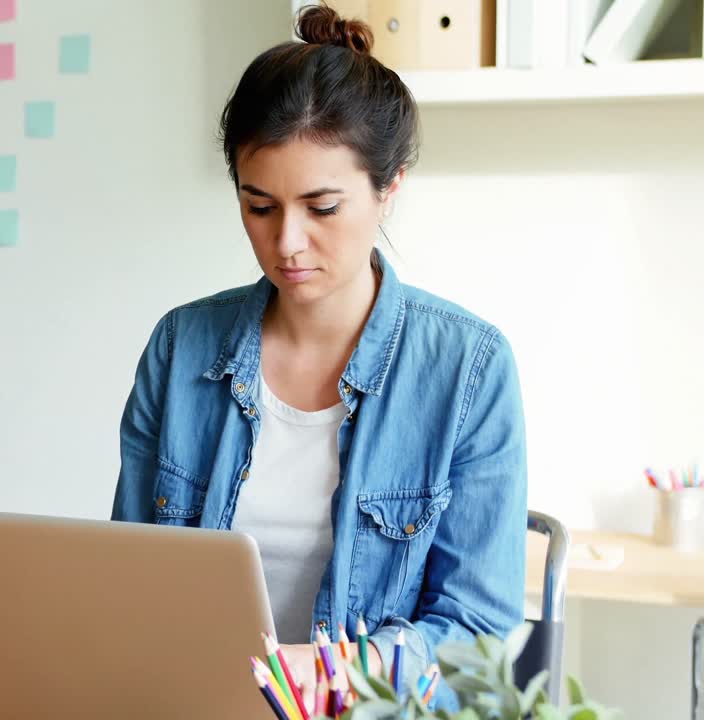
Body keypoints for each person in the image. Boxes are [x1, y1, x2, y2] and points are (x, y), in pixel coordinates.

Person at [110, 4, 526, 710]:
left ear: (388, 190)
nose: (288, 243)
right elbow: (128, 583)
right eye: (259, 206)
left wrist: (335, 672)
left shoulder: (469, 370)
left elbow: (477, 636)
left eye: (322, 207)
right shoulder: (181, 349)